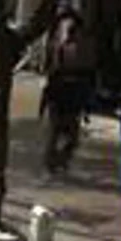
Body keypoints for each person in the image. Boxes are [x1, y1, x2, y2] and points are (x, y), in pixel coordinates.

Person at [42, 10, 93, 175]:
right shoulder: (59, 49)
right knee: (56, 131)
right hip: (60, 94)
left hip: (72, 96)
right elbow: (52, 74)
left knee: (71, 136)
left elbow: (87, 77)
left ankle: (59, 159)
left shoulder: (82, 51)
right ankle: (52, 161)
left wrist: (86, 106)